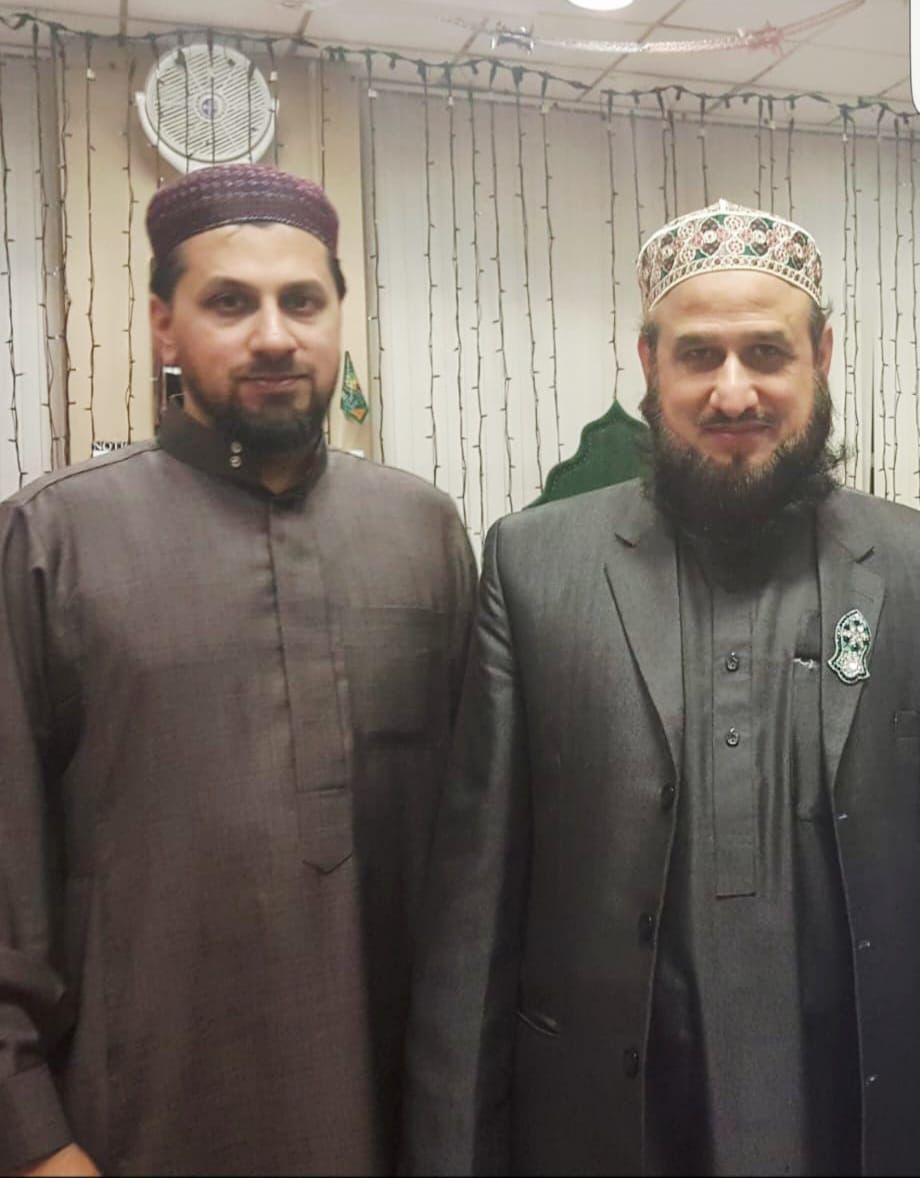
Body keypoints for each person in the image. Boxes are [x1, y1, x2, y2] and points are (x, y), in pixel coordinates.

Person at [404, 199, 920, 1177]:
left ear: (820, 355)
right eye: (697, 356)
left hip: (857, 1122)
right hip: (607, 1124)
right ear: (648, 365)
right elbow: (472, 926)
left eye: (765, 353)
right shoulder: (534, 563)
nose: (733, 393)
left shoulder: (908, 565)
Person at [0, 163, 476, 1177]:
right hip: (138, 1120)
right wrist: (33, 1138)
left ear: (339, 314)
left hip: (402, 1118)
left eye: (301, 300)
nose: (272, 334)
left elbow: (468, 849)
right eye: (229, 301)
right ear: (164, 326)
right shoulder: (53, 536)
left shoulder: (422, 531)